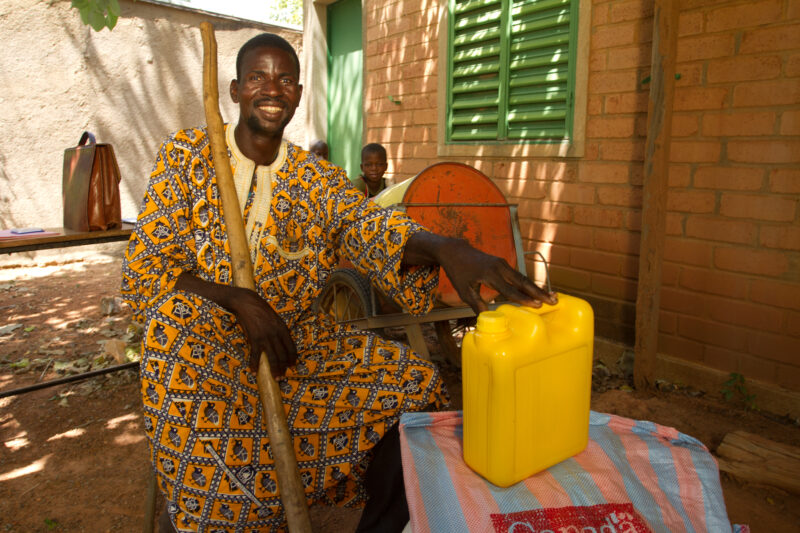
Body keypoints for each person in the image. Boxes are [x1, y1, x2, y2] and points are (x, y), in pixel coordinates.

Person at [121, 33, 555, 533]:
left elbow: (368, 227)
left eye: (285, 79)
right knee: (172, 341)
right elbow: (147, 270)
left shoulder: (316, 180)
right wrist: (238, 300)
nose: (272, 89)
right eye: (258, 77)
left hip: (296, 344)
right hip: (202, 346)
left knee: (413, 387)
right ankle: (227, 512)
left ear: (299, 95)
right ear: (236, 90)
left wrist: (442, 246)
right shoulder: (186, 156)